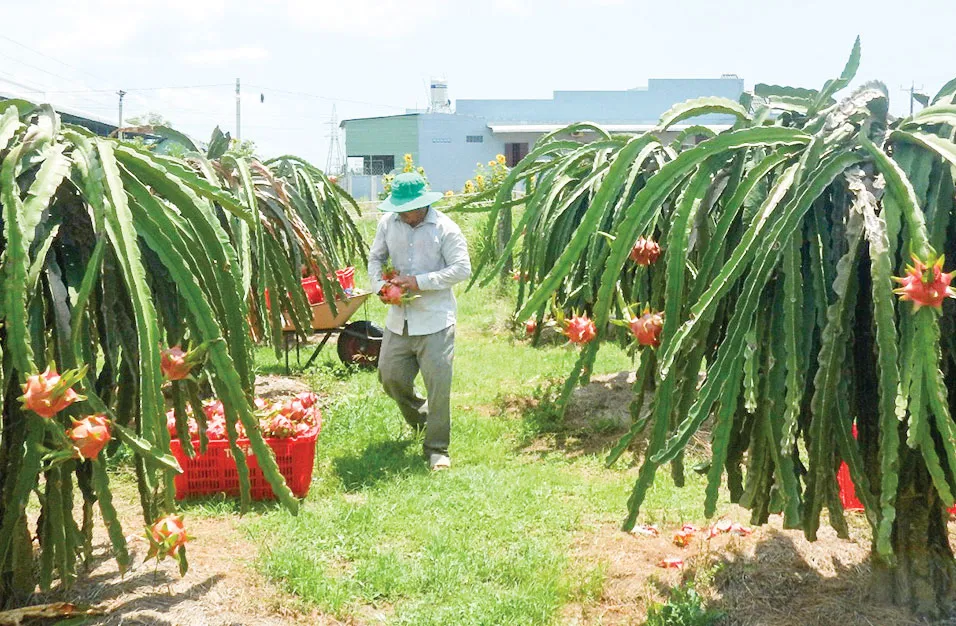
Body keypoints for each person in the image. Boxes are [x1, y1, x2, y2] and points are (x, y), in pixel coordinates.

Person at [369, 172, 471, 471]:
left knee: (438, 385)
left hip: (435, 321)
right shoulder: (388, 223)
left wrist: (419, 282)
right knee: (390, 377)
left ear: (423, 204)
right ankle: (423, 418)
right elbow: (375, 259)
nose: (403, 214)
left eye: (408, 209)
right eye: (399, 209)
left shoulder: (445, 229)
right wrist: (381, 287)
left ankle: (437, 448)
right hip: (398, 320)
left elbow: (461, 269)